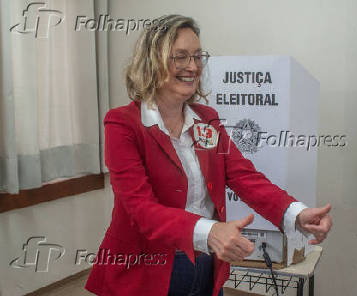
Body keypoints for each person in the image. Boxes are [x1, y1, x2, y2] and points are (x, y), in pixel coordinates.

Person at [85, 14, 332, 296]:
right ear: (153, 61)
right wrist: (210, 231)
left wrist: (297, 214)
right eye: (181, 57)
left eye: (198, 57)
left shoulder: (207, 120)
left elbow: (244, 176)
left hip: (204, 262)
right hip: (146, 269)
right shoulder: (122, 124)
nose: (193, 67)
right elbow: (140, 209)